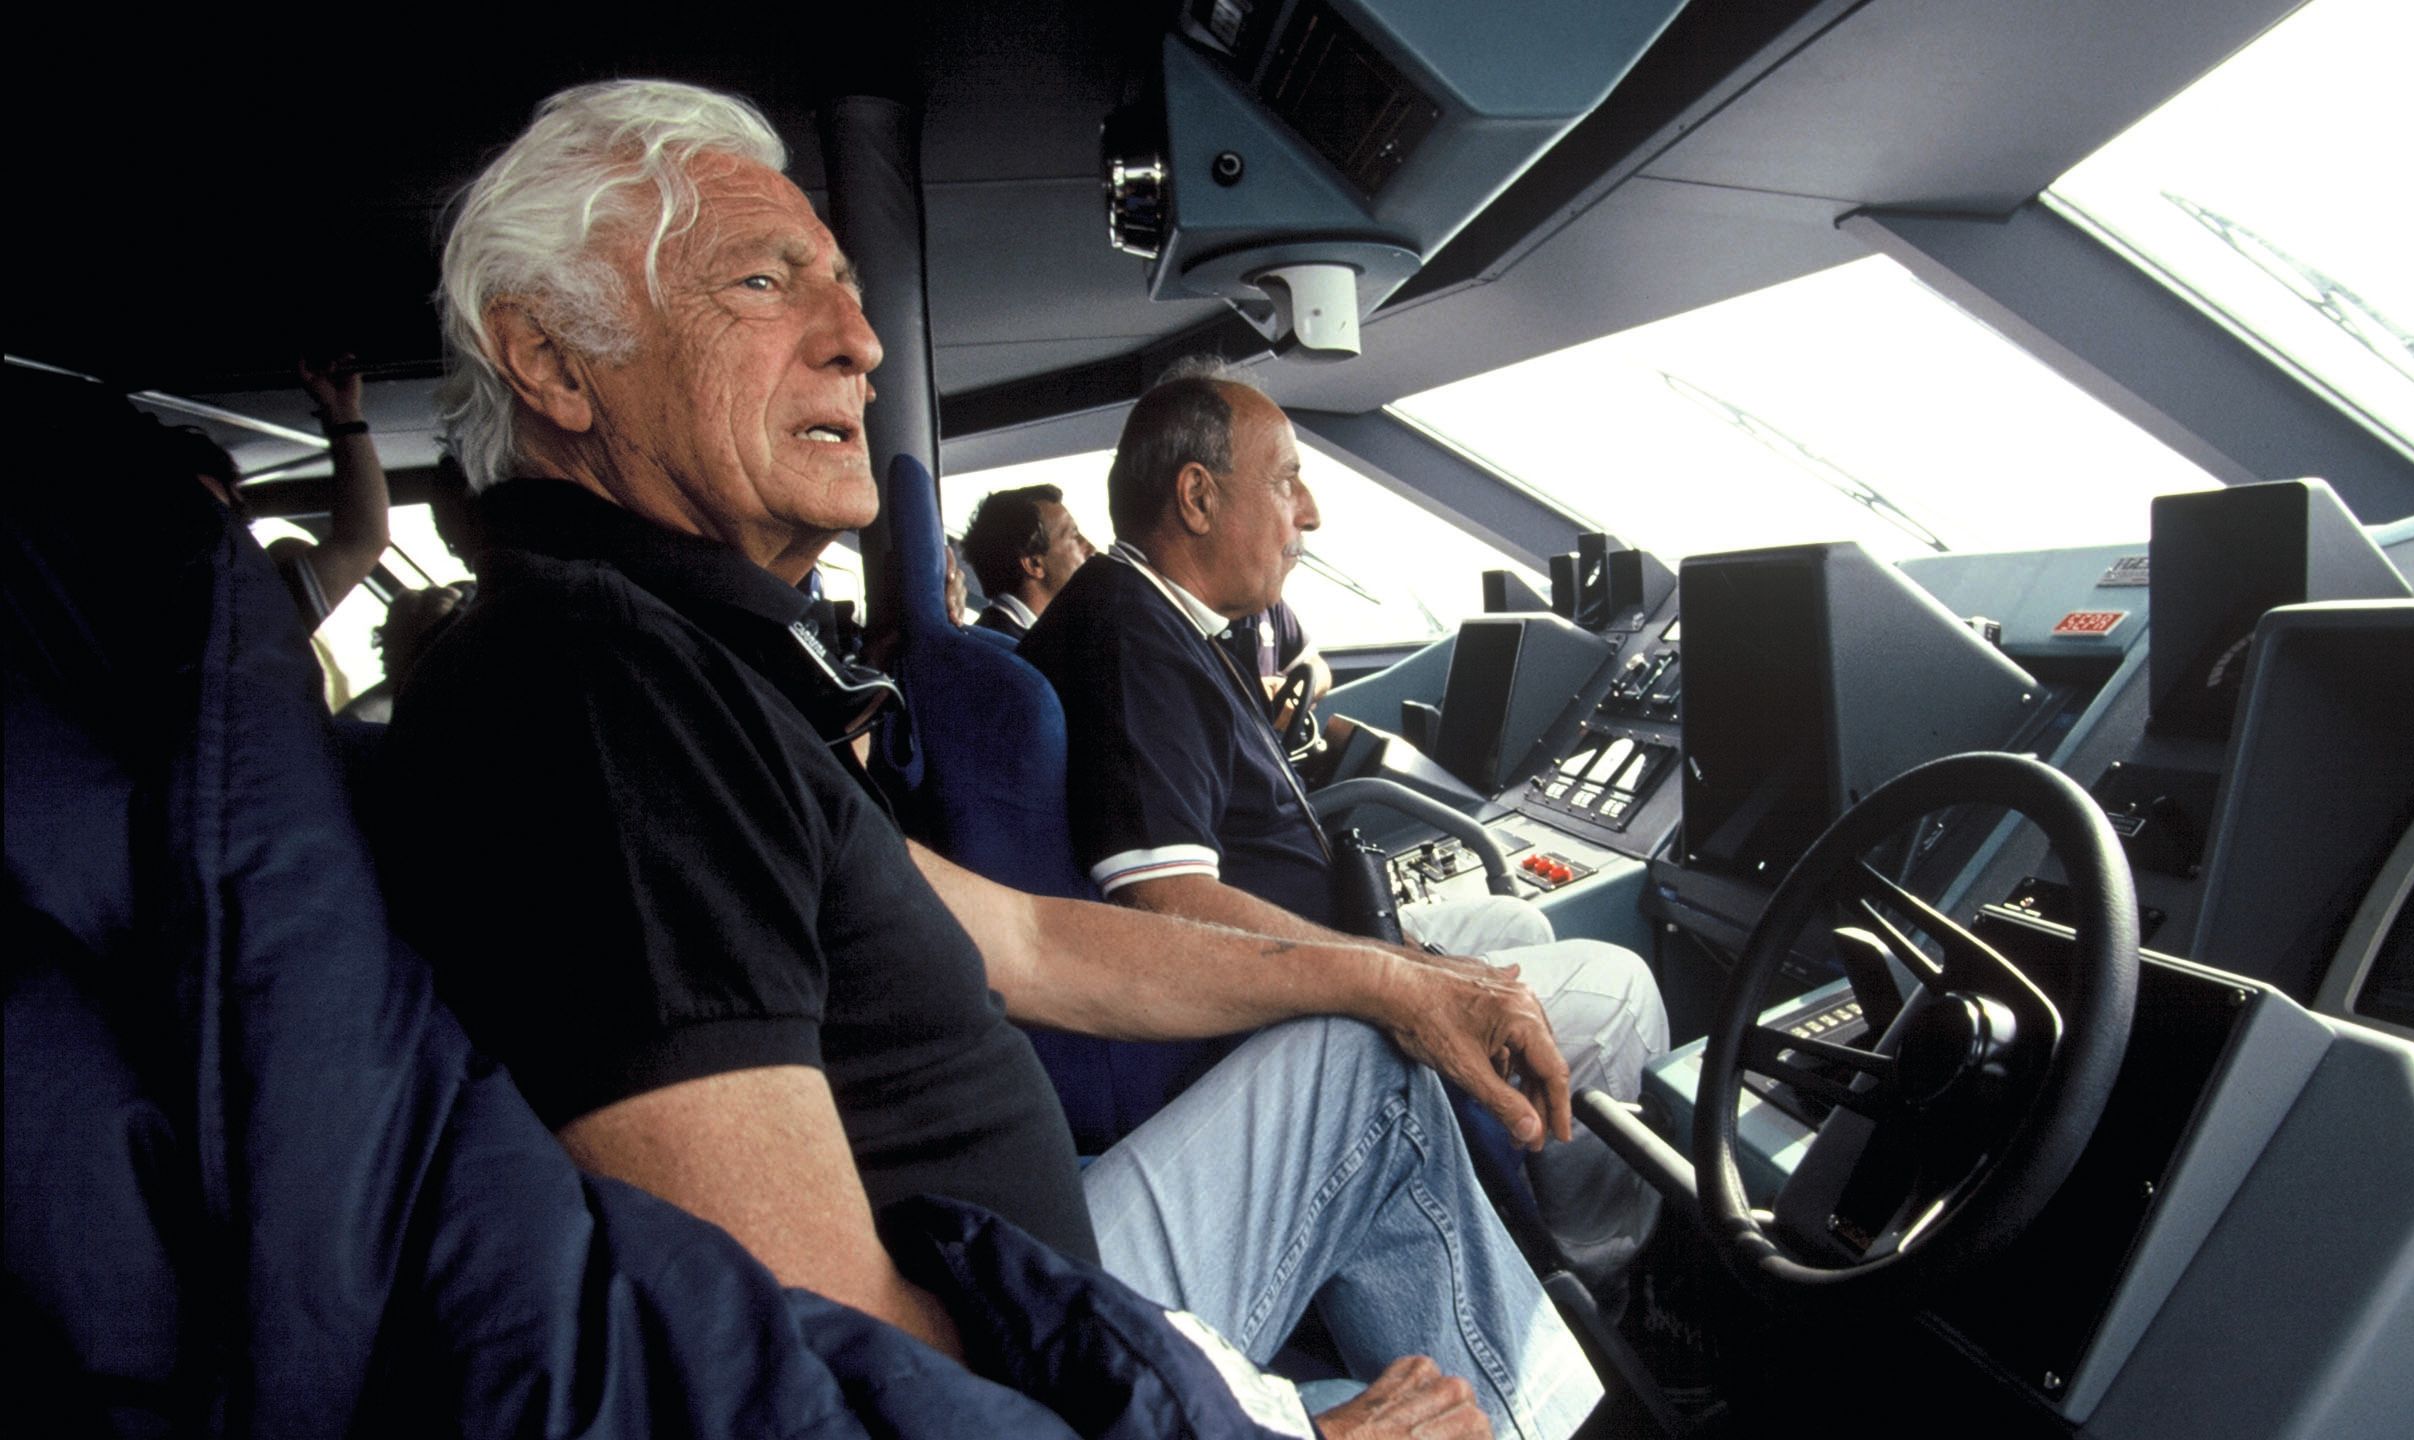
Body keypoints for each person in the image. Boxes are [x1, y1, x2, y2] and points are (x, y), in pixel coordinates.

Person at [379, 79, 1598, 1440]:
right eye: (763, 283)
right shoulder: (598, 705)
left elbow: (1030, 944)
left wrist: (1392, 977)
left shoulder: (689, 674)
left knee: (1366, 1052)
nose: (857, 345)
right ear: (551, 363)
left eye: (842, 289)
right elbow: (809, 1365)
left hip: (1029, 1303)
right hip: (1020, 1382)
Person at [1019, 363, 1669, 1279]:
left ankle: (1522, 1189)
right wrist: (1393, 978)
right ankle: (1595, 1260)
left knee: (1515, 921)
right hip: (1266, 1008)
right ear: (1198, 498)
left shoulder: (1159, 620)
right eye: (1287, 479)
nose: (1311, 512)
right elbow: (1166, 906)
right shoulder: (1129, 642)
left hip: (1310, 937)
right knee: (1621, 987)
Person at [169, 353, 393, 635]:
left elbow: (363, 540)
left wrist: (343, 414)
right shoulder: (245, 613)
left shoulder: (245, 609)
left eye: (207, 513)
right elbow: (363, 540)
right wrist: (343, 414)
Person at [958, 483, 1096, 640]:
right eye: (1074, 535)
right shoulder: (1020, 652)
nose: (1091, 549)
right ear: (1033, 564)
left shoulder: (992, 639)